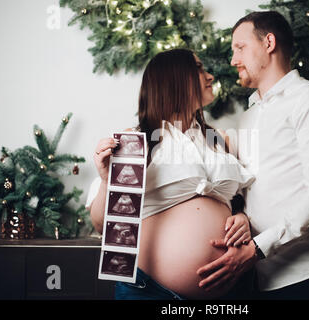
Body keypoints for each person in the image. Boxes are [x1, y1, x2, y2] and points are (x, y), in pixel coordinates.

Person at [196, 11, 309, 300]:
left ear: (269, 42)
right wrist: (243, 216)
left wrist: (257, 249)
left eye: (239, 47)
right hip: (264, 279)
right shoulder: (248, 117)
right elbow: (253, 187)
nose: (232, 60)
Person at [86, 48, 255, 300]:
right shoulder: (135, 140)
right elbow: (101, 224)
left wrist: (242, 218)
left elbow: (238, 201)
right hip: (149, 292)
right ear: (174, 77)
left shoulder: (218, 140)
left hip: (225, 294)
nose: (209, 76)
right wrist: (106, 180)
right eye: (199, 69)